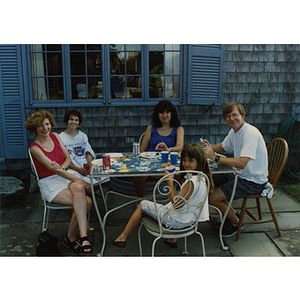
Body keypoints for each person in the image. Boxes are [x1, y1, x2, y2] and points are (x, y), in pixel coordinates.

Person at [112, 143, 214, 249]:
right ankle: (171, 240)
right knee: (166, 205)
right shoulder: (203, 177)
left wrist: (169, 180)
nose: (186, 164)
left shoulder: (191, 182)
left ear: (200, 161)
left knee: (143, 204)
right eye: (184, 160)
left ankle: (122, 238)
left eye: (191, 161)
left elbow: (176, 205)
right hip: (190, 220)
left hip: (176, 222)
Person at [25, 110, 93, 254]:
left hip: (63, 174)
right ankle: (71, 238)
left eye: (47, 124)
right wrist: (79, 179)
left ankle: (82, 236)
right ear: (34, 128)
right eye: (40, 126)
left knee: (79, 189)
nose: (45, 128)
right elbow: (54, 170)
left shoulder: (55, 136)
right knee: (86, 202)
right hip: (49, 182)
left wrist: (62, 167)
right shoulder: (35, 148)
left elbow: (67, 158)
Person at [202, 102, 268, 237]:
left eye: (235, 115)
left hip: (252, 181)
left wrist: (215, 157)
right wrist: (209, 146)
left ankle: (236, 222)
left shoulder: (250, 133)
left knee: (211, 198)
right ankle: (230, 213)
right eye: (228, 116)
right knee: (206, 181)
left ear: (243, 116)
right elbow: (222, 147)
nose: (232, 119)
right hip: (239, 174)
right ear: (225, 119)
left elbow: (242, 163)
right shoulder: (234, 131)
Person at [133, 100, 184, 197]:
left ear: (172, 114)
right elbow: (142, 149)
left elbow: (180, 146)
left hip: (170, 164)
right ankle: (141, 201)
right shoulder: (150, 128)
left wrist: (168, 150)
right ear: (157, 114)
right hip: (150, 164)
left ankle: (179, 201)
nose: (164, 115)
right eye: (161, 112)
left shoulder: (178, 128)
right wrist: (148, 158)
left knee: (183, 176)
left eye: (167, 112)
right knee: (137, 178)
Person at [59, 109, 109, 186]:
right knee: (77, 182)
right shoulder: (60, 137)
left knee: (106, 176)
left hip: (87, 168)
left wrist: (92, 168)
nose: (74, 122)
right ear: (66, 121)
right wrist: (77, 169)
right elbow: (62, 159)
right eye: (71, 119)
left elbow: (88, 152)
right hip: (73, 169)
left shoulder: (82, 136)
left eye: (76, 120)